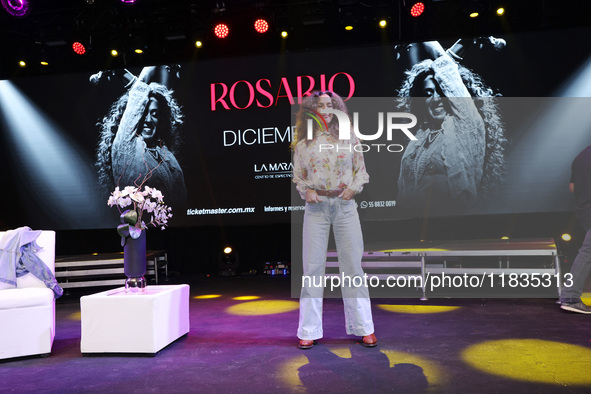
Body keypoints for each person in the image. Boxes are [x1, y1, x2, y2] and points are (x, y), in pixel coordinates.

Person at [292, 90, 377, 349]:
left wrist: (353, 188)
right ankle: (309, 330)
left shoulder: (349, 136)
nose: (326, 109)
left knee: (353, 268)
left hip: (345, 205)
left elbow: (361, 172)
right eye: (321, 105)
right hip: (316, 209)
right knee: (312, 270)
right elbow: (298, 176)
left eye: (331, 105)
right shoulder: (303, 142)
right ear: (312, 110)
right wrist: (306, 191)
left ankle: (364, 328)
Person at [396, 40, 506, 214]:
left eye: (442, 91)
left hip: (455, 224)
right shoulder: (420, 137)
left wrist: (421, 35)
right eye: (428, 93)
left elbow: (444, 65)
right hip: (417, 228)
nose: (436, 99)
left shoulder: (466, 123)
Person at [96, 65, 187, 208]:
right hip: (138, 229)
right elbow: (140, 90)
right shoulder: (127, 145)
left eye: (155, 114)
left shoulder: (167, 157)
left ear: (162, 120)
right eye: (143, 114)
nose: (149, 120)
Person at [560, 145, 591, 314]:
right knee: (588, 253)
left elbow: (572, 188)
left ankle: (569, 295)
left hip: (584, 210)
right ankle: (570, 296)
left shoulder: (581, 156)